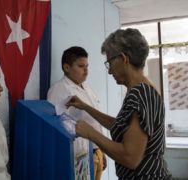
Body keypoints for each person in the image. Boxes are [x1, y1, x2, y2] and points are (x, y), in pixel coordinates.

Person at [66, 29, 172, 179]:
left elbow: (130, 158)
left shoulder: (140, 93)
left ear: (123, 59)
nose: (109, 72)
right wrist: (85, 107)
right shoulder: (143, 89)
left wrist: (90, 133)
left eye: (110, 63)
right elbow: (122, 126)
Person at [47, 46, 106, 180]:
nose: (86, 71)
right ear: (67, 67)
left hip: (96, 150)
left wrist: (101, 150)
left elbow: (94, 122)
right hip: (79, 155)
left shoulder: (87, 89)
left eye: (87, 66)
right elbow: (56, 126)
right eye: (80, 66)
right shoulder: (59, 90)